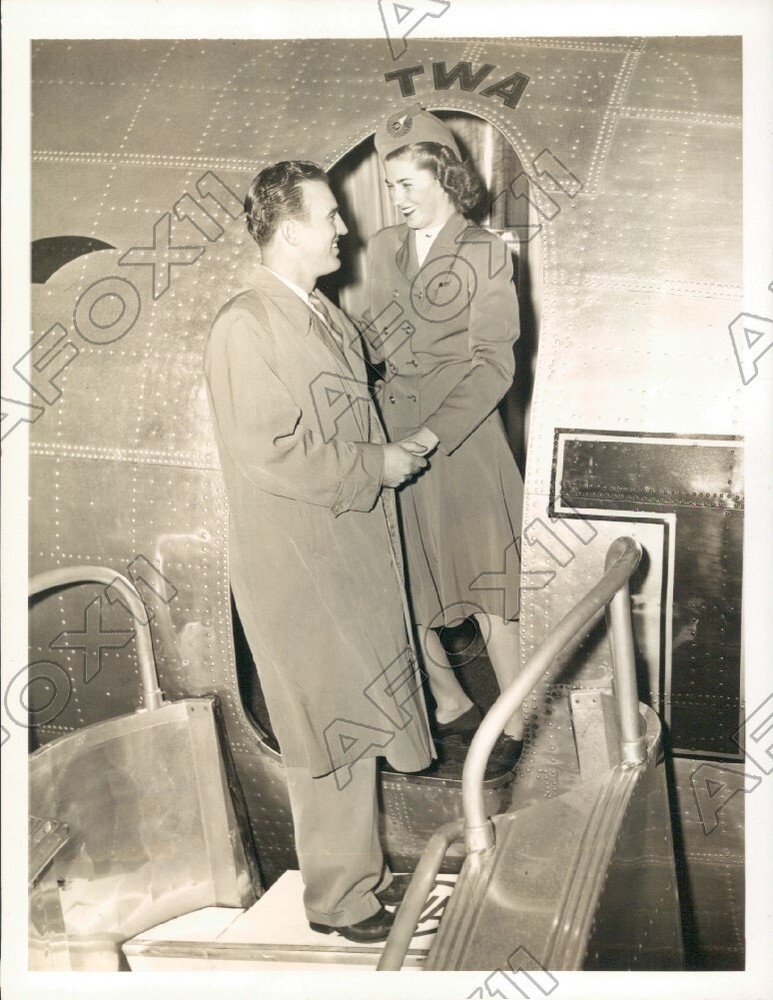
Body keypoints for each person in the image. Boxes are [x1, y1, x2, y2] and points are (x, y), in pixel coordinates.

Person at [203, 160, 434, 943]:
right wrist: (377, 465)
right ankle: (338, 901)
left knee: (356, 719)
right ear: (290, 226)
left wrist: (394, 448)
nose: (344, 228)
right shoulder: (248, 322)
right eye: (330, 215)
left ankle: (359, 881)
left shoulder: (321, 314)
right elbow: (269, 452)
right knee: (325, 729)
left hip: (343, 548)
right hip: (298, 565)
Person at [361, 106, 526, 767]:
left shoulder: (483, 252)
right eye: (390, 184)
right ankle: (448, 702)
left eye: (408, 184)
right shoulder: (380, 249)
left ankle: (516, 725)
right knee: (406, 582)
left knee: (490, 592)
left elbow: (495, 362)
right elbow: (374, 342)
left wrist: (431, 435)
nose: (396, 198)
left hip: (461, 441)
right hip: (392, 433)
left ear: (445, 178)